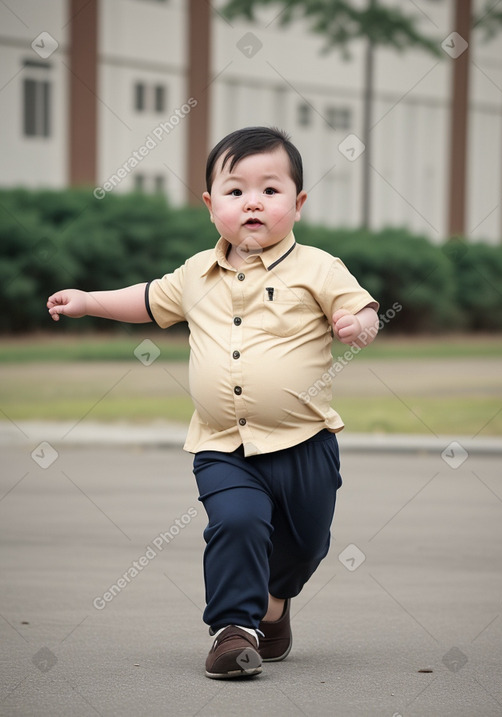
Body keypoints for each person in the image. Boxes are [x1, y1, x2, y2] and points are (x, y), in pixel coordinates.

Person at [47, 126, 379, 680]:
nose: (252, 201)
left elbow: (361, 308)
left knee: (307, 544)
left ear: (297, 204)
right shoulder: (195, 274)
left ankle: (274, 602)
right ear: (210, 205)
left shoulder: (319, 267)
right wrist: (87, 301)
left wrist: (359, 325)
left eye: (270, 191)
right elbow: (146, 300)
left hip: (305, 443)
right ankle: (233, 630)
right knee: (236, 522)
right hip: (223, 445)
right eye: (235, 190)